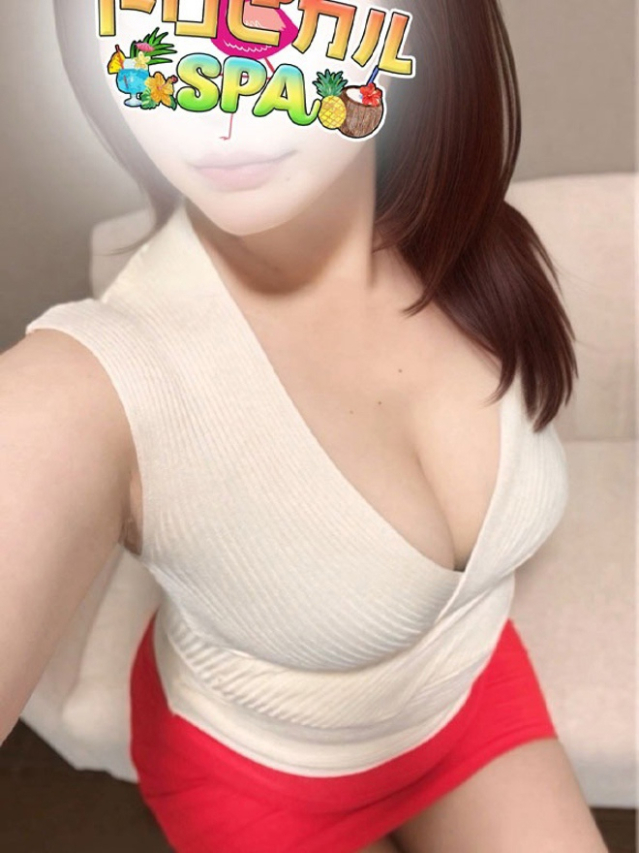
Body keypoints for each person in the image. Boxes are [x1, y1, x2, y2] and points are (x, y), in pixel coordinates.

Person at [1, 0, 610, 851]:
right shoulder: (86, 385)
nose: (224, 99)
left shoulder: (474, 246)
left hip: (471, 689)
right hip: (255, 776)